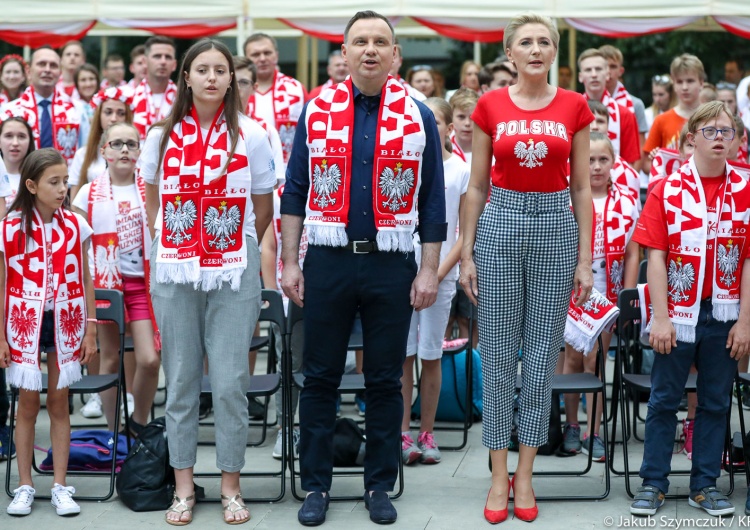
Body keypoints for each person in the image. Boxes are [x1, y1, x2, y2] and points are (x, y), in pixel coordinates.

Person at [280, 10, 446, 526]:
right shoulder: (316, 110)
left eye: (380, 42)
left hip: (392, 262)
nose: (369, 50)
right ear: (345, 52)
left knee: (383, 380)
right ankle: (316, 487)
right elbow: (295, 191)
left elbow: (433, 201)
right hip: (328, 259)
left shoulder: (418, 115)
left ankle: (379, 485)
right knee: (321, 377)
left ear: (395, 55)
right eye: (359, 42)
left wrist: (428, 270)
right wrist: (289, 261)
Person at [459, 13, 593, 524]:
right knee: (495, 351)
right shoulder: (490, 105)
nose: (535, 49)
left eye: (544, 42)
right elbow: (476, 186)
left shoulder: (574, 105)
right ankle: (497, 474)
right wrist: (466, 252)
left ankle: (527, 474)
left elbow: (582, 188)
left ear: (553, 52)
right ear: (509, 54)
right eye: (525, 43)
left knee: (540, 357)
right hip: (502, 220)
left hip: (556, 223)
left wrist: (585, 258)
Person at [140, 38, 275, 526]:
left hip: (234, 270)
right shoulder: (160, 135)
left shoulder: (252, 134)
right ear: (187, 78)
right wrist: (174, 245)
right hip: (175, 271)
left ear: (232, 80)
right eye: (203, 69)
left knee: (230, 381)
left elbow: (263, 205)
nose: (214, 77)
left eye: (222, 69)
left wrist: (227, 244)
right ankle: (182, 487)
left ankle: (231, 486)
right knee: (179, 380)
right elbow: (151, 196)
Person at [629, 100, 750, 518]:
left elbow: (749, 260)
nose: (720, 138)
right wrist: (661, 318)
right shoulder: (668, 188)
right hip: (677, 313)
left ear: (736, 140)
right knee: (664, 399)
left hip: (724, 314)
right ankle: (653, 484)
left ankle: (704, 486)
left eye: (727, 131)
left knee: (716, 401)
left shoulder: (746, 187)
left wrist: (745, 322)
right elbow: (656, 258)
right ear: (690, 138)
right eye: (711, 131)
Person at [2, 148, 97, 517]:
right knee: (27, 405)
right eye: (53, 182)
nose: (62, 189)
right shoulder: (8, 229)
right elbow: (2, 284)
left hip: (66, 319)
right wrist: (0, 337)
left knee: (59, 403)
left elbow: (87, 277)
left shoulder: (75, 224)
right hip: (23, 321)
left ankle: (60, 485)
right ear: (31, 185)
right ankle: (25, 485)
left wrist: (90, 329)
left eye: (65, 181)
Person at [71, 123, 159, 436]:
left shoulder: (151, 187)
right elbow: (77, 249)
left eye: (132, 144)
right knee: (109, 360)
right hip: (106, 287)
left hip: (143, 286)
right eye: (117, 143)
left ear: (140, 152)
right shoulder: (87, 192)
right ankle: (115, 432)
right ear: (104, 150)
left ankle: (138, 425)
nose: (124, 149)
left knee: (149, 360)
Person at [561, 132, 639, 461]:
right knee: (572, 358)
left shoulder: (625, 200)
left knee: (595, 358)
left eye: (602, 160)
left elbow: (634, 251)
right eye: (589, 159)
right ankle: (572, 425)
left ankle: (594, 430)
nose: (595, 166)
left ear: (614, 163)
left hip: (607, 291)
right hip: (570, 290)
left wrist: (627, 295)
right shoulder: (566, 196)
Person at [401, 97, 468, 467]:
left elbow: (464, 232)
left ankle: (427, 432)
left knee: (430, 353)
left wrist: (437, 273)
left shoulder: (459, 169)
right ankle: (401, 432)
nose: (429, 127)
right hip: (400, 274)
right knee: (402, 355)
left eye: (436, 122)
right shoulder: (405, 164)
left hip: (440, 277)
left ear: (448, 129)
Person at [2, 47, 82, 167]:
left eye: (53, 65)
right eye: (42, 64)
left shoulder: (76, 109)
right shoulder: (9, 111)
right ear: (29, 71)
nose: (47, 70)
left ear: (59, 73)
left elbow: (84, 152)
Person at [244, 32, 307, 165]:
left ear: (276, 56)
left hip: (288, 168)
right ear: (246, 59)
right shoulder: (236, 90)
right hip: (247, 166)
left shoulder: (295, 89)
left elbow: (308, 133)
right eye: (255, 54)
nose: (262, 58)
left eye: (267, 53)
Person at [578, 48, 641, 166]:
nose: (594, 74)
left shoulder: (625, 114)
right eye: (588, 70)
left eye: (598, 69)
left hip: (615, 182)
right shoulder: (571, 113)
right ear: (580, 76)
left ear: (607, 74)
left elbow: (631, 164)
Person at [642, 54, 705, 171]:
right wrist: (656, 160)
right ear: (674, 85)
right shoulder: (661, 120)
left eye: (690, 81)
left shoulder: (712, 118)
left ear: (701, 83)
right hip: (672, 186)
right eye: (679, 82)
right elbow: (645, 165)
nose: (685, 87)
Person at [69, 86, 132, 202]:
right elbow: (75, 204)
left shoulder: (138, 152)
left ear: (127, 117)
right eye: (108, 112)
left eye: (121, 113)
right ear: (98, 116)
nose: (114, 118)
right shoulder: (82, 154)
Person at [131, 36, 177, 142]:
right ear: (145, 61)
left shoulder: (184, 100)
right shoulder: (129, 97)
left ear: (174, 65)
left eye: (168, 57)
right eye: (157, 56)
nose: (163, 61)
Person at [0, 116, 35, 209]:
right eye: (9, 136)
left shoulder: (38, 176)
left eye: (21, 136)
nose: (15, 143)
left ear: (30, 141)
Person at [449, 87, 479, 165]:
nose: (467, 123)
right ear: (451, 117)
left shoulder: (491, 151)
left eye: (472, 117)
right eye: (461, 117)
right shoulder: (443, 151)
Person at [73, 64, 100, 141]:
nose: (88, 84)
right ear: (77, 83)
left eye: (91, 79)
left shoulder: (105, 104)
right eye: (83, 80)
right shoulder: (70, 106)